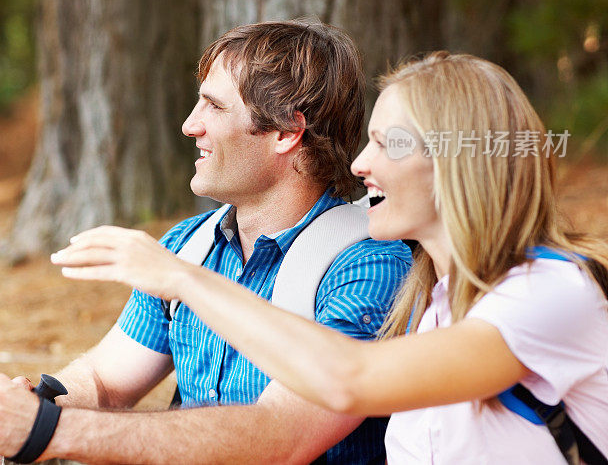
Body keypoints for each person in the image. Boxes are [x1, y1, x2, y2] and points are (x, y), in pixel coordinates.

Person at [0, 20, 411, 464]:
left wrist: (45, 432)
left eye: (214, 108)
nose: (188, 126)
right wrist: (33, 404)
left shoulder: (368, 263)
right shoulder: (190, 244)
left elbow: (281, 439)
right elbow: (106, 383)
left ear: (284, 133)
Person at [58, 51, 608, 464]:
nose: (361, 164)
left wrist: (182, 279)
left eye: (388, 144)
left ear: (458, 164)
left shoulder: (549, 295)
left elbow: (349, 380)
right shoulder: (432, 303)